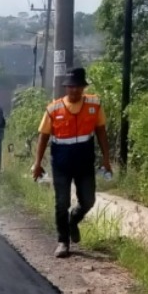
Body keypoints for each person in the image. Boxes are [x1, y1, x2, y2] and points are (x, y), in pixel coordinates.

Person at [32, 67, 113, 258]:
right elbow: (43, 137)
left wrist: (107, 159)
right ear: (66, 88)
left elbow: (101, 132)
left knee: (88, 200)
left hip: (84, 161)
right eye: (71, 87)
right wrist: (37, 163)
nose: (74, 90)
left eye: (78, 87)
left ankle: (73, 220)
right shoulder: (53, 109)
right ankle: (62, 241)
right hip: (61, 162)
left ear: (83, 87)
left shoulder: (94, 105)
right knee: (62, 202)